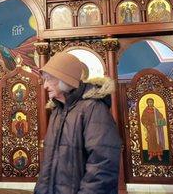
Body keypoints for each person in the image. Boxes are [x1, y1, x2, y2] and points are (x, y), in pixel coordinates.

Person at [35, 52, 121, 194]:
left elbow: (103, 166)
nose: (45, 86)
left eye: (49, 79)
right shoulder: (57, 110)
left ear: (65, 79)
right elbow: (49, 165)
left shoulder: (93, 108)